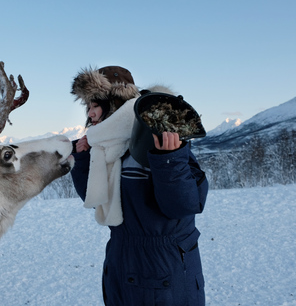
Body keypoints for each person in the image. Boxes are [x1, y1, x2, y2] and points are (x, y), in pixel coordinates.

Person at [69, 66, 208, 305]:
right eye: (88, 107)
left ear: (115, 101)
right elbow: (97, 200)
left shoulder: (157, 133)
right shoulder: (104, 148)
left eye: (95, 105)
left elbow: (185, 205)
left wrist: (170, 159)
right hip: (121, 261)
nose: (90, 114)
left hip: (165, 267)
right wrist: (82, 162)